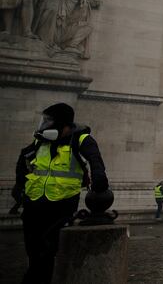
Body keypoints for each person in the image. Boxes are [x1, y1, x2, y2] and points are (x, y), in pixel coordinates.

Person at [14, 103, 108, 283]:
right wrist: (20, 186)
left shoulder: (81, 139)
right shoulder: (40, 140)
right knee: (33, 249)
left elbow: (95, 158)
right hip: (34, 202)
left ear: (63, 125)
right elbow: (24, 158)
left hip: (62, 203)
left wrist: (99, 176)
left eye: (49, 121)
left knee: (47, 250)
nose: (45, 124)